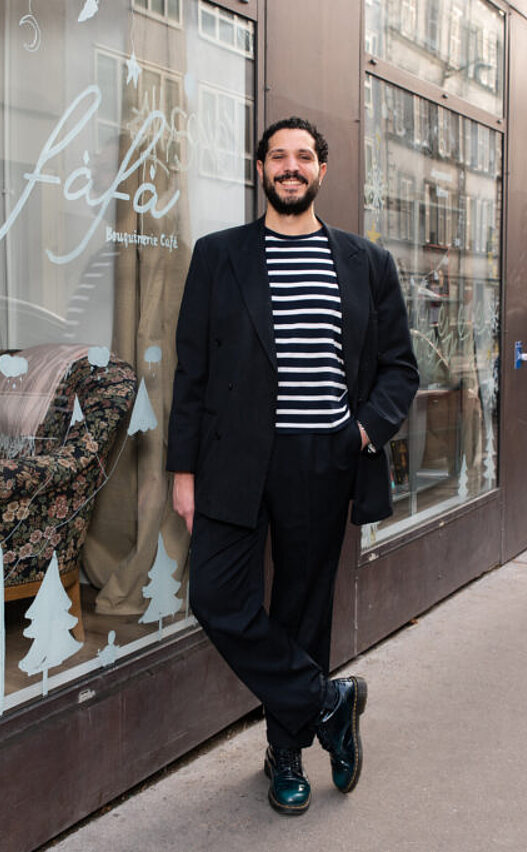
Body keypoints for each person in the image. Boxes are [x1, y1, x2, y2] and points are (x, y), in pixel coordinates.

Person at [167, 117, 419, 816]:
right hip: (235, 460)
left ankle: (286, 753)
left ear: (321, 171)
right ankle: (329, 702)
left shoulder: (367, 262)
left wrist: (361, 432)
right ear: (260, 169)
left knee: (303, 612)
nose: (290, 166)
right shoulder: (219, 256)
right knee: (217, 599)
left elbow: (399, 367)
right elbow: (193, 371)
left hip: (323, 458)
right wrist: (182, 472)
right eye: (278, 155)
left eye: (303, 156)